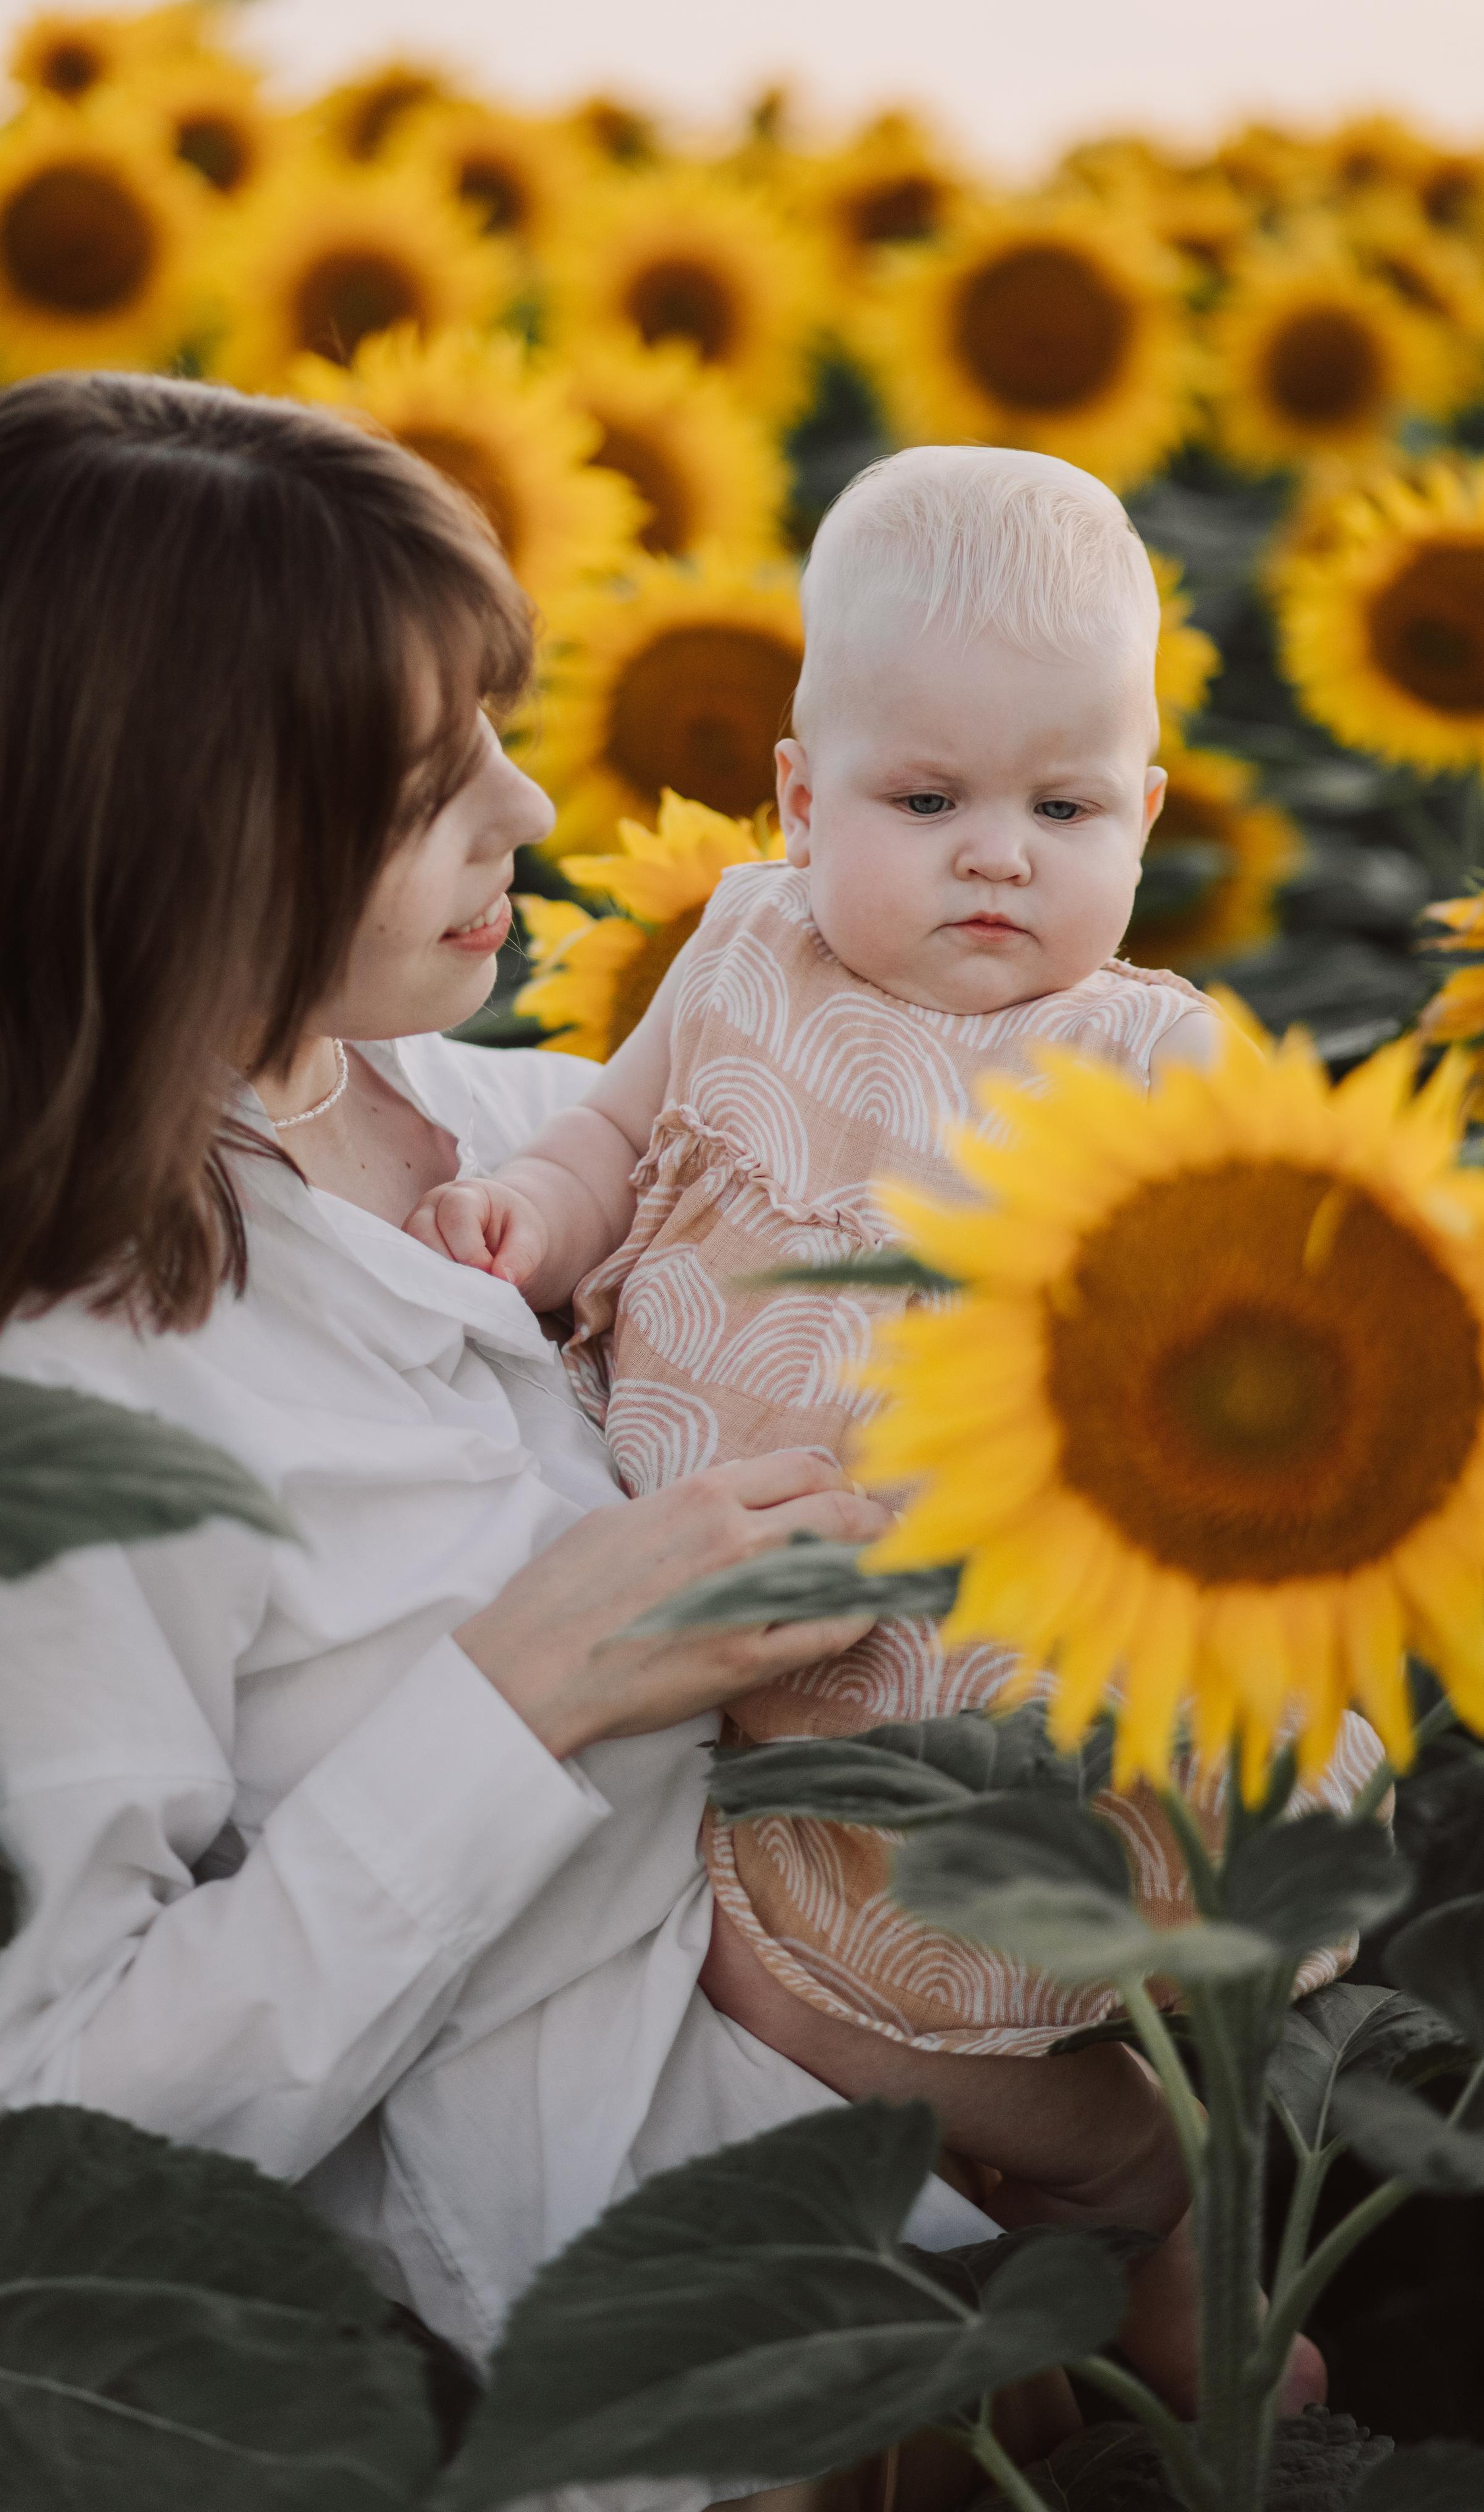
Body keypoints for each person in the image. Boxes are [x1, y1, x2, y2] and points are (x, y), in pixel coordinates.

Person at [0, 374, 1028, 2512]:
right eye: (424, 787)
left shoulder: (515, 1132)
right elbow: (63, 2155)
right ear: (162, 837)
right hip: (715, 2403)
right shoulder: (73, 1411)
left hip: (1028, 2266)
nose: (541, 816)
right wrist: (517, 1700)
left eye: (494, 732)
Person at [406, 448, 1379, 2406]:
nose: (998, 856)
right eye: (927, 804)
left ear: (1151, 817)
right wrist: (540, 1223)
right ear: (797, 800)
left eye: (1064, 807)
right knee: (727, 1985)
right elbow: (610, 1133)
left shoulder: (1155, 1052)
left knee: (940, 1996)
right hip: (732, 1668)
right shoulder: (744, 952)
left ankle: (1160, 2236)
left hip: (987, 1686)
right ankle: (1042, 2318)